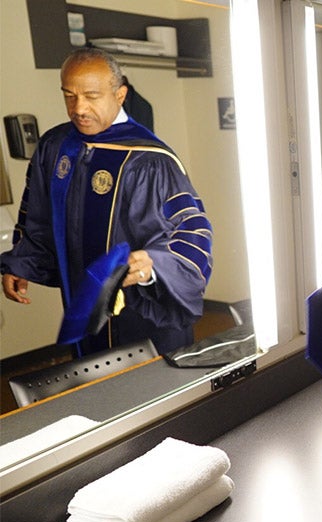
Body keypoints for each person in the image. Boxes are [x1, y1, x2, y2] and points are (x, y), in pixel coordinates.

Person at [1, 48, 212, 356]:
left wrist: (155, 265)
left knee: (150, 381)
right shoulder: (55, 147)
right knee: (94, 377)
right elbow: (38, 216)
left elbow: (190, 230)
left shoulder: (150, 159)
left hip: (143, 316)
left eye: (91, 96)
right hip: (84, 307)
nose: (79, 108)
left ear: (120, 94)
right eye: (69, 96)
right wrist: (21, 264)